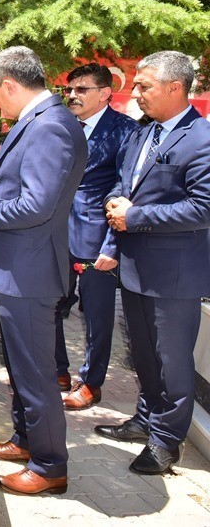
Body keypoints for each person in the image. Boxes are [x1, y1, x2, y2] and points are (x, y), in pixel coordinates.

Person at [0, 46, 86, 496]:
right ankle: (27, 439)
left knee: (35, 372)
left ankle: (51, 465)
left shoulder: (50, 126)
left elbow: (36, 204)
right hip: (19, 267)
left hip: (28, 271)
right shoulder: (40, 121)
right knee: (20, 366)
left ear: (11, 86)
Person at [98, 50, 210, 475]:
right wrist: (115, 209)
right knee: (144, 354)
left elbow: (203, 208)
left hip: (175, 275)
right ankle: (146, 419)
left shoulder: (202, 139)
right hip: (136, 267)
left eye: (144, 86)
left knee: (172, 361)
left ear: (175, 88)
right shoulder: (143, 133)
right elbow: (124, 185)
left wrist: (135, 216)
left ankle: (167, 442)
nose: (136, 92)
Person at [55, 63, 138, 409]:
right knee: (52, 303)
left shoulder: (126, 130)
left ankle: (91, 382)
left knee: (99, 314)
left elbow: (126, 188)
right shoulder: (60, 124)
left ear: (105, 93)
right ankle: (57, 369)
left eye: (81, 89)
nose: (72, 95)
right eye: (69, 89)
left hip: (97, 237)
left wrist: (111, 245)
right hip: (56, 232)